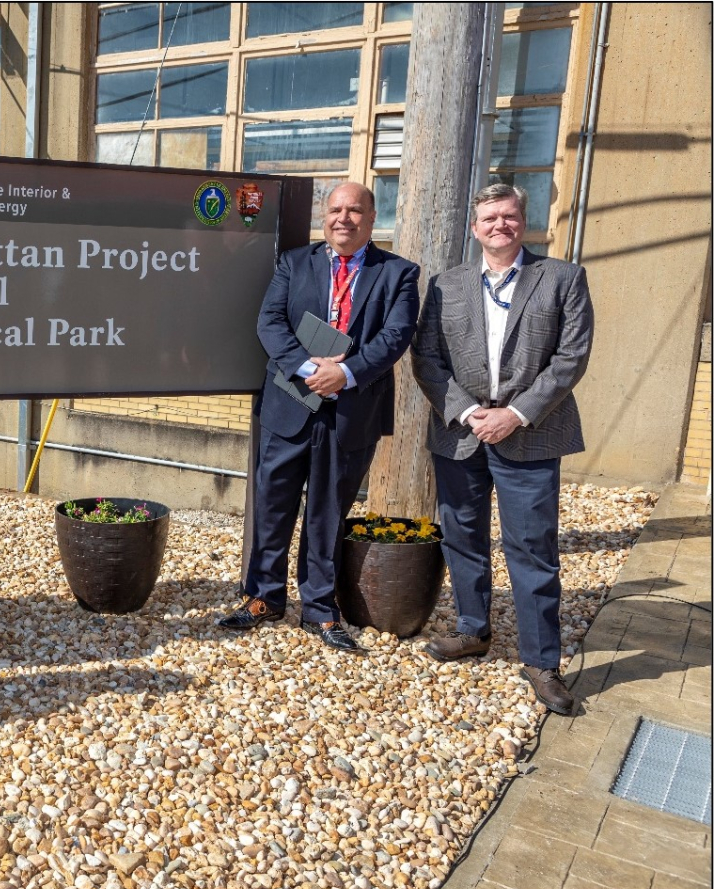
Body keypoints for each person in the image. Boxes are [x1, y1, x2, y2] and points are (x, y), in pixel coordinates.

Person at [412, 183, 594, 716]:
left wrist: (515, 413)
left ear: (524, 220)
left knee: (532, 549)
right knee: (463, 537)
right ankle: (473, 630)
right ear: (475, 228)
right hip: (460, 433)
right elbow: (427, 358)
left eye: (509, 216)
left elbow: (571, 357)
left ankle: (542, 661)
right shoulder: (447, 285)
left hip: (532, 432)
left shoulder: (562, 278)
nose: (500, 225)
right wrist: (470, 412)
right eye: (489, 218)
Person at [220, 182, 421, 653]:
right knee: (271, 505)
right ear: (324, 216)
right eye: (336, 210)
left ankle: (319, 607)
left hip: (351, 410)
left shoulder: (400, 274)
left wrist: (346, 373)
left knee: (328, 512)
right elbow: (270, 322)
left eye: (355, 211)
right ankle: (263, 596)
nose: (343, 219)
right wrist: (311, 368)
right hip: (289, 401)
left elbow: (396, 336)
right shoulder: (294, 263)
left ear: (372, 219)